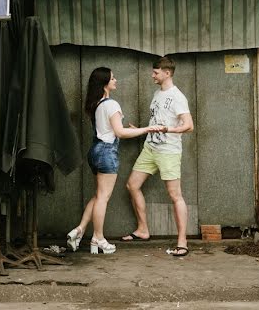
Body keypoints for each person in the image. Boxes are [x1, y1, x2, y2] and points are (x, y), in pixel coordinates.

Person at [67, 67, 162, 255]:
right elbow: (119, 132)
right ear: (105, 84)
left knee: (98, 195)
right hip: (106, 152)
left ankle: (79, 230)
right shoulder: (111, 105)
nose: (115, 80)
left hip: (95, 151)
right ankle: (98, 238)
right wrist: (146, 129)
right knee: (103, 197)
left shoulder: (97, 104)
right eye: (112, 78)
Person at [122, 56, 194, 257]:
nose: (152, 75)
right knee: (132, 185)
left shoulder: (177, 96)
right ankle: (143, 230)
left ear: (167, 73)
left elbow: (189, 126)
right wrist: (143, 130)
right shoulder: (157, 93)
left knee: (175, 195)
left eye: (155, 72)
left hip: (168, 152)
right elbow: (157, 120)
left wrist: (166, 129)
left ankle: (182, 242)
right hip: (150, 148)